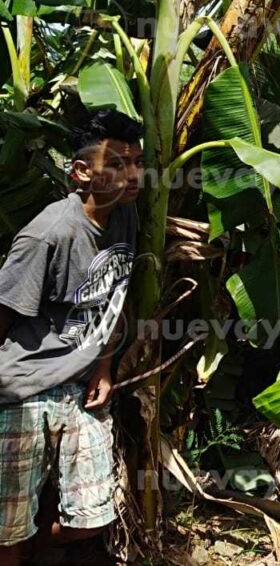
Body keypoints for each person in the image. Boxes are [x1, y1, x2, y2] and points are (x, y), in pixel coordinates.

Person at [0, 110, 143, 566]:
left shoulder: (125, 216)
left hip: (81, 385)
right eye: (118, 163)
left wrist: (103, 364)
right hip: (24, 387)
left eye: (137, 161)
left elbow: (114, 297)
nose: (133, 174)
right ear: (82, 171)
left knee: (92, 515)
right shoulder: (49, 233)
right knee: (9, 527)